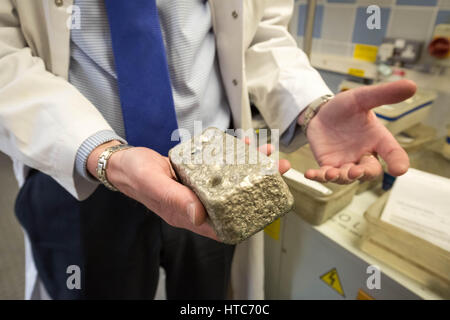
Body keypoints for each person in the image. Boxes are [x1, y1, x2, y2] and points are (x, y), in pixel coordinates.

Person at [0, 0, 416, 299]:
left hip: (218, 176)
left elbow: (261, 32)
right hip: (81, 171)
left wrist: (312, 107)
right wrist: (102, 154)